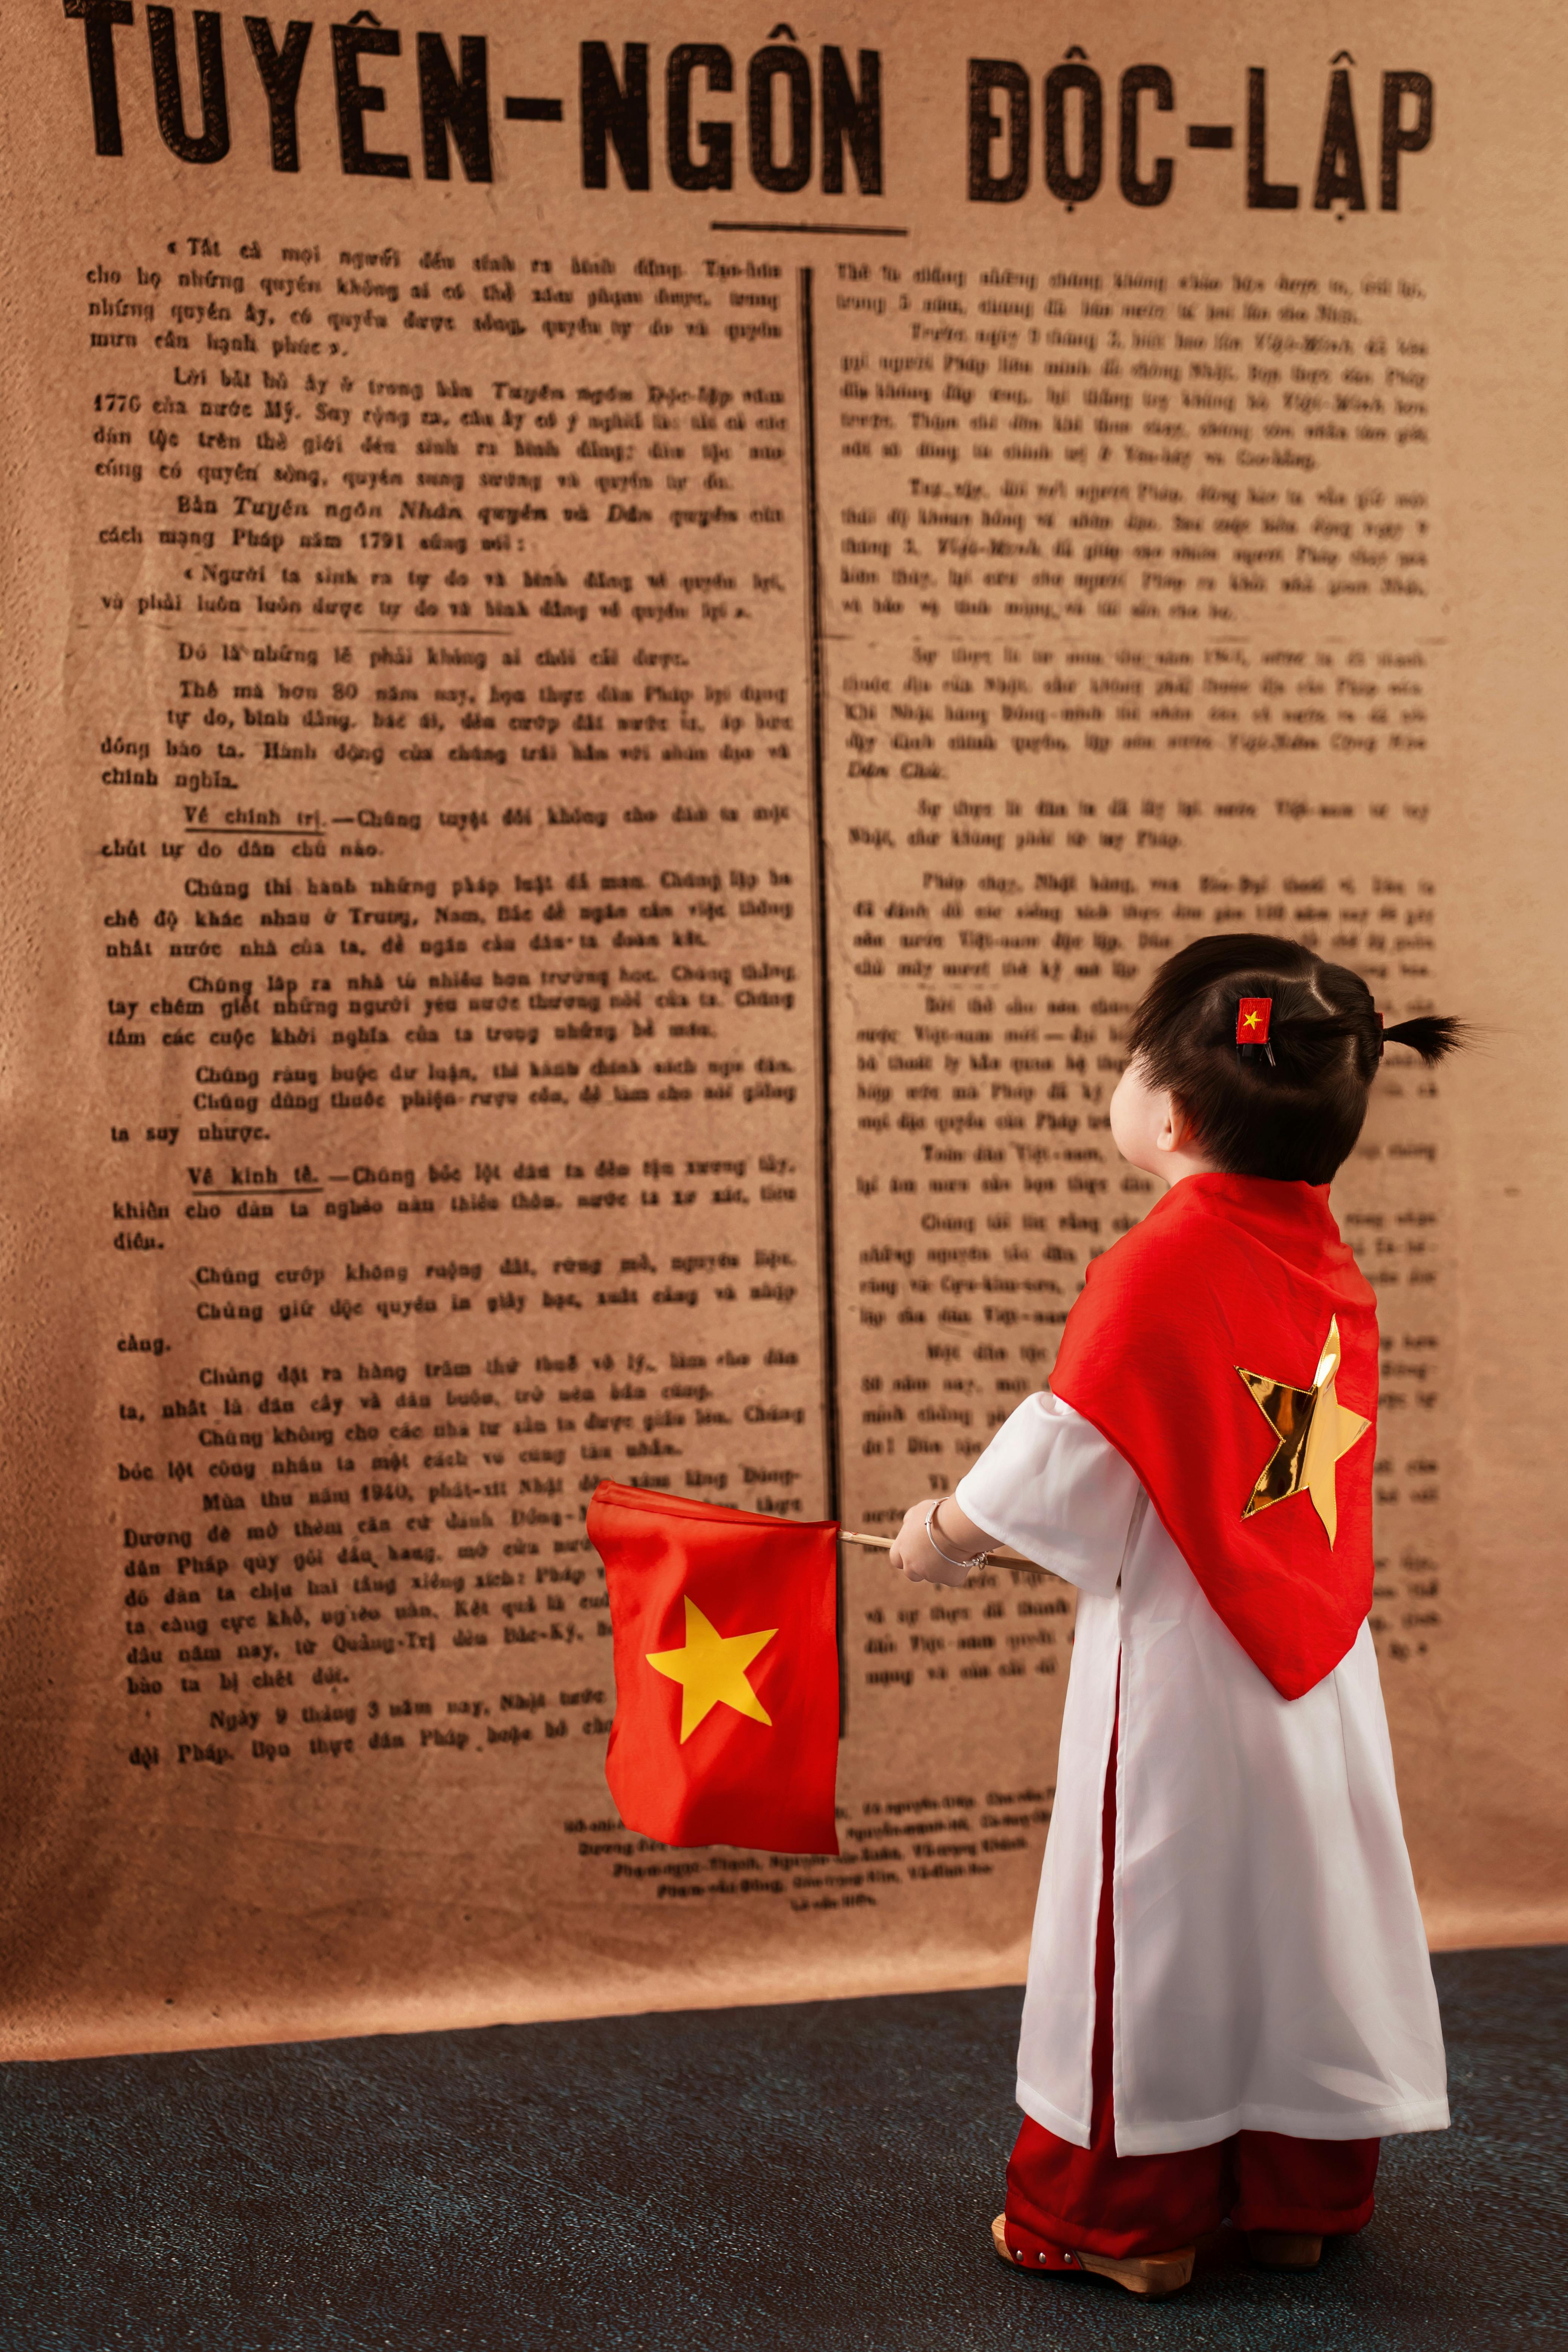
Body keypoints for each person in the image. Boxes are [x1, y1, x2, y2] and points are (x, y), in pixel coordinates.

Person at [888, 935, 1462, 2300]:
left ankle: (1124, 2218)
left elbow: (1072, 1443)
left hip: (1188, 1656)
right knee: (1298, 1902)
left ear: (1174, 1115)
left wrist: (949, 1533)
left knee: (1154, 1907)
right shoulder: (1325, 1268)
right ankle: (1296, 2193)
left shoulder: (1157, 1265)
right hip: (1314, 1658)